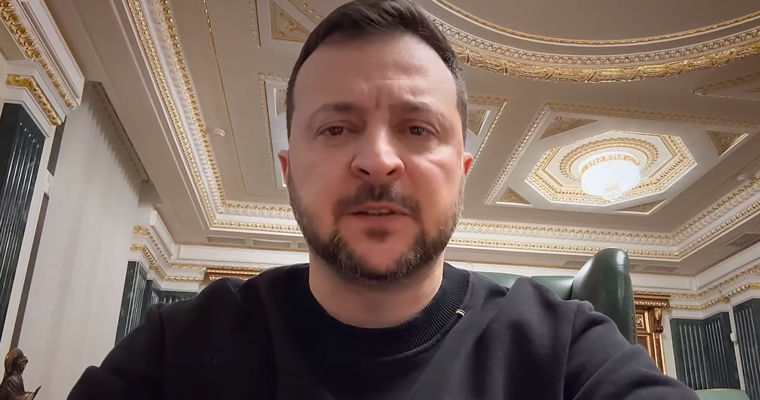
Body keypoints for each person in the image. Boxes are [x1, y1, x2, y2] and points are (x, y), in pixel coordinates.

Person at [69, 0, 698, 398]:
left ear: (461, 173)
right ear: (289, 171)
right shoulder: (178, 348)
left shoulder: (565, 348)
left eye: (417, 129)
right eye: (335, 128)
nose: (377, 159)